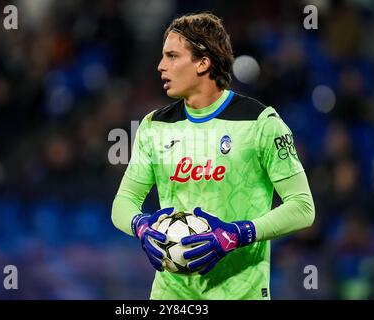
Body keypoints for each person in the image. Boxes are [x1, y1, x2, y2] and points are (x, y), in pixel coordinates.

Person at [111, 12, 315, 300]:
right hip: (170, 295)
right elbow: (123, 202)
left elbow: (303, 207)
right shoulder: (154, 126)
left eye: (172, 56)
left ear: (203, 63)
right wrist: (140, 226)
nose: (160, 66)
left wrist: (237, 234)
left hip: (242, 293)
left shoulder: (261, 123)